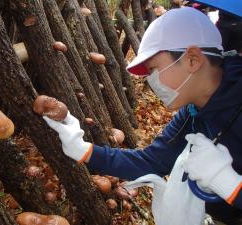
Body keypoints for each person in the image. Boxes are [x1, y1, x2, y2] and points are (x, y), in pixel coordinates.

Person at [43, 7, 242, 224]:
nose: (151, 81)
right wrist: (83, 150)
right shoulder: (191, 113)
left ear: (192, 60)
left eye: (154, 69)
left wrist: (232, 186)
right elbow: (152, 161)